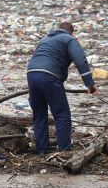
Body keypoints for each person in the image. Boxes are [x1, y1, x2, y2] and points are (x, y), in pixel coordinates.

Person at [27, 22, 99, 154]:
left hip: (31, 73)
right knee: (61, 114)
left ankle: (42, 150)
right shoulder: (70, 39)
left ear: (58, 29)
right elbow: (80, 60)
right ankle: (64, 150)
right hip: (49, 75)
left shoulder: (45, 39)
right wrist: (89, 83)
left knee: (39, 114)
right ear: (72, 33)